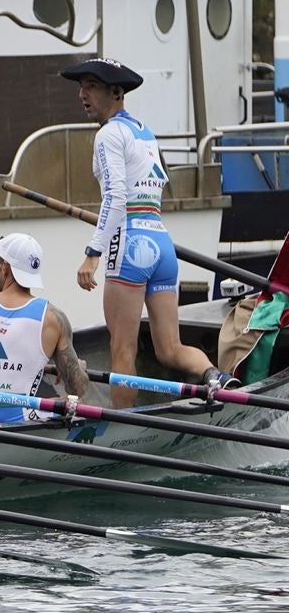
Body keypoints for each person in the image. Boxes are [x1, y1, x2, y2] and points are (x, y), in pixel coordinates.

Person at [63, 58, 231, 406]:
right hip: (161, 245)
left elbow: (115, 197)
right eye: (81, 87)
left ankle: (123, 427)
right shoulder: (144, 132)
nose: (82, 94)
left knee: (122, 350)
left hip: (130, 247)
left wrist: (93, 253)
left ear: (116, 92)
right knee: (170, 348)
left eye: (91, 86)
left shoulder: (108, 134)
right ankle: (215, 376)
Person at [0, 234, 92, 423]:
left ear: (5, 267)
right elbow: (77, 389)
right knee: (75, 403)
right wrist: (78, 370)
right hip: (17, 419)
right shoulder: (53, 318)